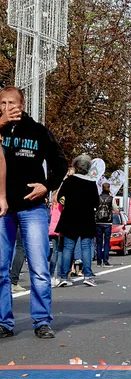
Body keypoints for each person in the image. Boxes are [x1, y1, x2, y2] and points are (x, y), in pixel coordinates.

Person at [0, 86, 67, 339]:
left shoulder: (38, 132)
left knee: (39, 266)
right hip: (3, 208)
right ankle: (4, 322)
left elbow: (60, 162)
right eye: (3, 103)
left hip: (32, 207)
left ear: (23, 104)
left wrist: (47, 186)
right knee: (1, 268)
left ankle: (41, 320)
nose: (8, 108)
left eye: (12, 103)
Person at [56, 154, 100, 288]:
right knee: (86, 247)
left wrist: (67, 204)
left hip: (70, 217)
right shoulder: (92, 183)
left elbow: (60, 198)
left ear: (75, 166)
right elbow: (96, 203)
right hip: (86, 218)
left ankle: (64, 276)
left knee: (68, 248)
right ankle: (87, 275)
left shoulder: (68, 181)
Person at [96, 183, 118, 267]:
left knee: (99, 242)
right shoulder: (111, 198)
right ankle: (105, 260)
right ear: (109, 188)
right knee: (106, 242)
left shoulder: (98, 197)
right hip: (108, 222)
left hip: (98, 222)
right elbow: (116, 209)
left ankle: (98, 262)